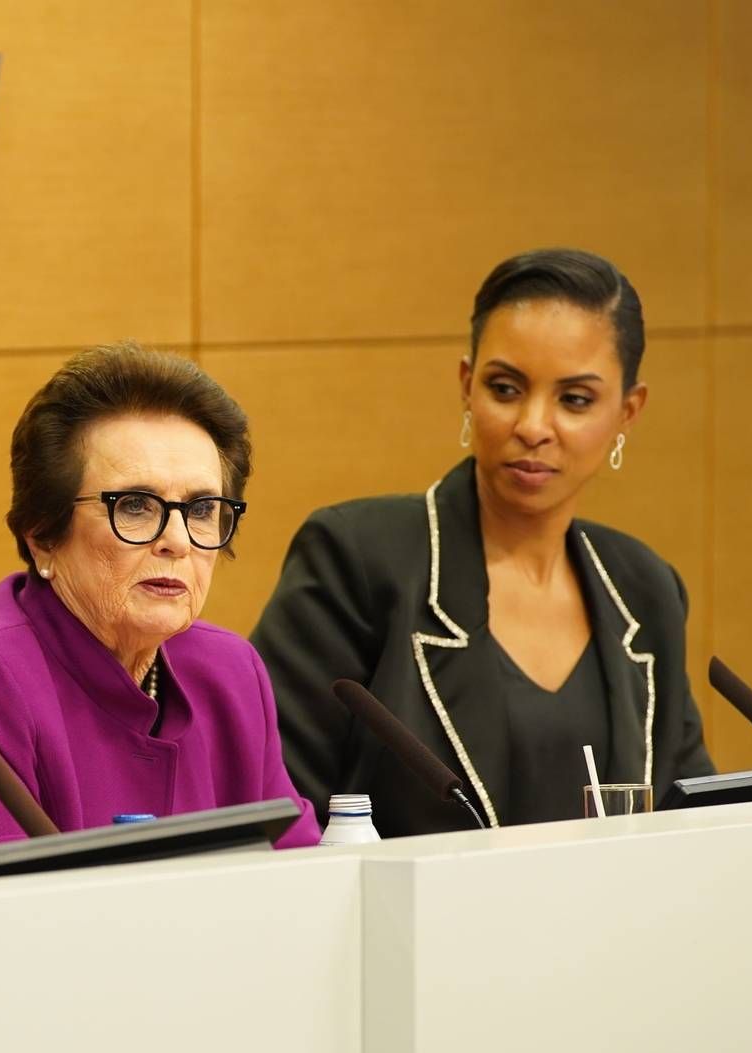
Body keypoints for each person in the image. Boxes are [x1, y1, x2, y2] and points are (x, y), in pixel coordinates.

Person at [252, 248, 714, 836]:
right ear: (467, 386)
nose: (533, 426)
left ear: (627, 412)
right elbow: (273, 804)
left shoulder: (644, 588)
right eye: (505, 388)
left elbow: (688, 815)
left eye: (575, 400)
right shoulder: (359, 559)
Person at [0, 342, 320, 888]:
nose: (176, 540)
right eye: (135, 506)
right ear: (43, 535)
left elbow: (303, 884)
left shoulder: (230, 672)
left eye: (202, 510)